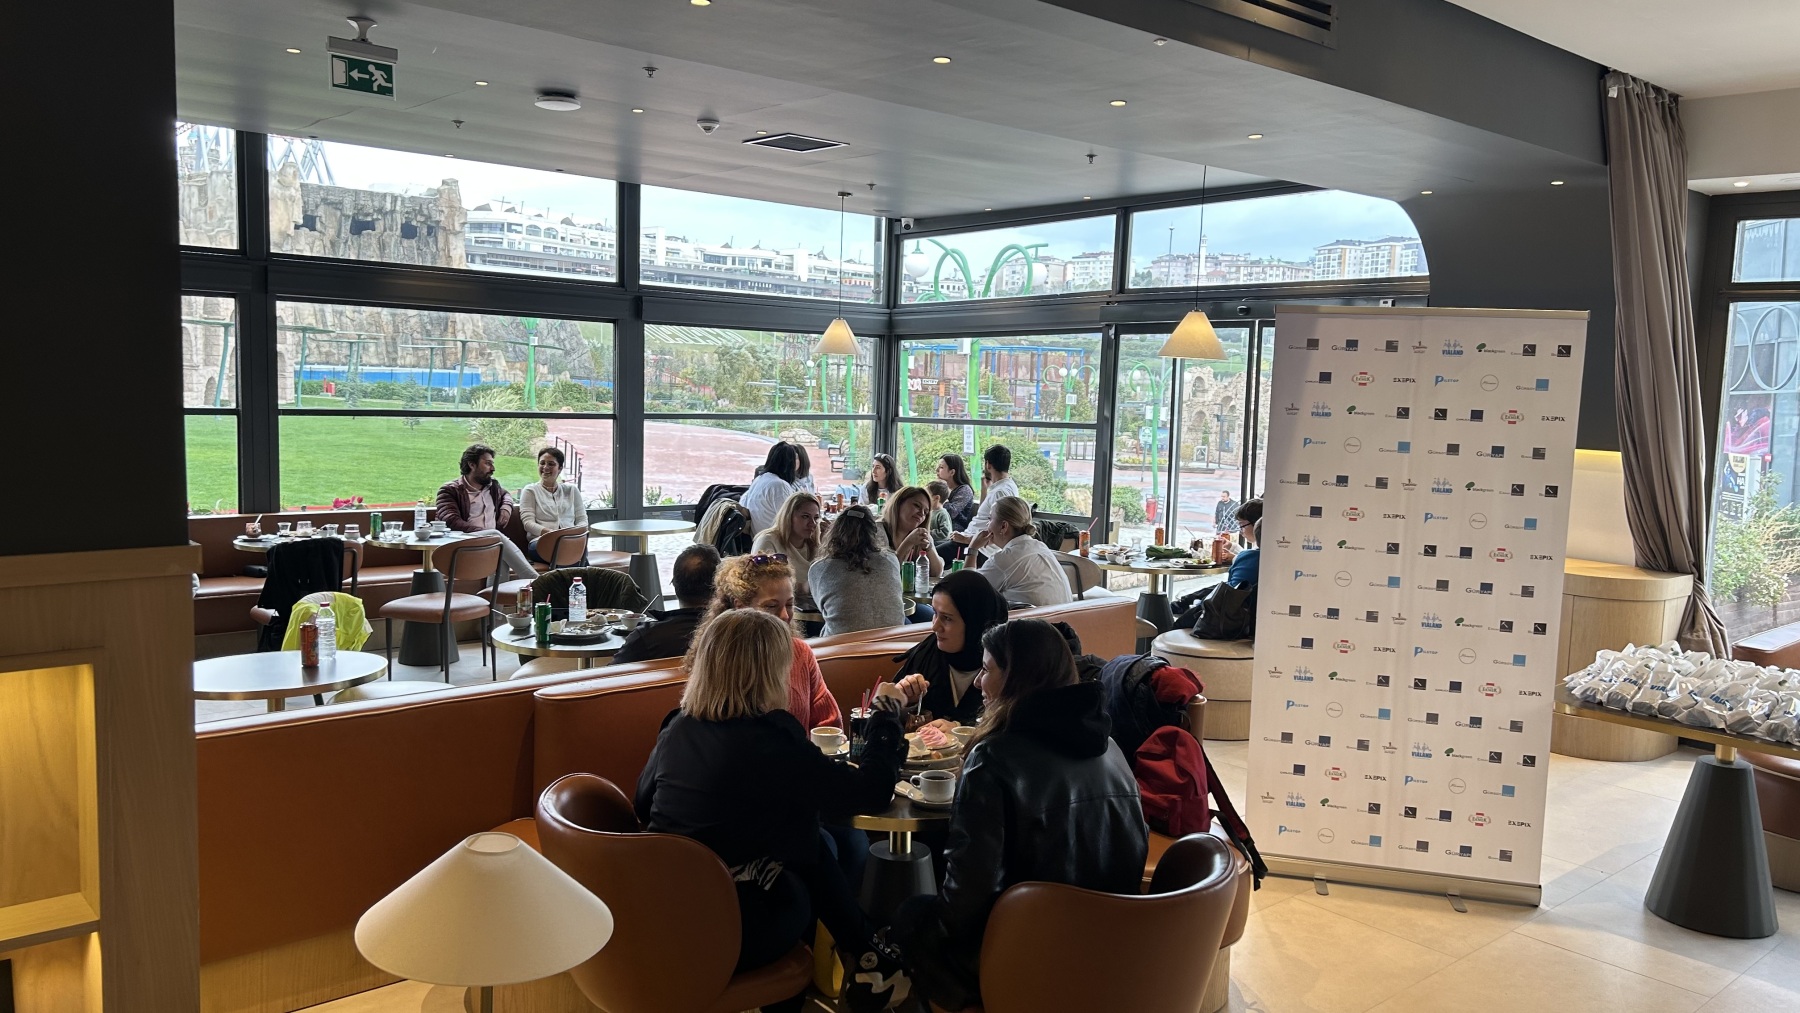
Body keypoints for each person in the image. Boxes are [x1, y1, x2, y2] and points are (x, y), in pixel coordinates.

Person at [635, 609, 913, 1012]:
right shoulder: (770, 741)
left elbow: (643, 804)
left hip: (658, 913)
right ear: (767, 673)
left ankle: (867, 956)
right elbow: (871, 792)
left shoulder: (678, 726)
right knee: (799, 851)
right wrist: (885, 717)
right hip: (731, 927)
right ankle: (867, 958)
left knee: (799, 830)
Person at [888, 619, 1149, 1011]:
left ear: (1017, 677)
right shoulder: (1109, 747)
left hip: (1028, 953)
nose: (979, 682)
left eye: (987, 669)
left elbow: (969, 893)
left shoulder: (993, 758)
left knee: (912, 916)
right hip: (1115, 947)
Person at [706, 553, 840, 729]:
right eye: (771, 606)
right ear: (740, 607)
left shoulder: (800, 652)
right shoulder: (721, 657)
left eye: (789, 604)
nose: (784, 615)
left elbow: (829, 722)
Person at [890, 569, 1010, 728]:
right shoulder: (925, 655)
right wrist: (904, 702)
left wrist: (960, 730)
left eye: (947, 618)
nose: (935, 627)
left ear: (974, 622)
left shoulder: (1005, 666)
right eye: (935, 613)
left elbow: (1013, 728)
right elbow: (881, 721)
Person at [435, 443, 537, 581]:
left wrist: (506, 508)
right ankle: (537, 580)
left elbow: (506, 494)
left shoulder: (492, 486)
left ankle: (496, 595)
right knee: (495, 536)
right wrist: (486, 534)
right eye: (488, 463)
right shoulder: (450, 490)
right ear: (472, 465)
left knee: (499, 550)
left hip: (490, 546)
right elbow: (451, 521)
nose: (493, 468)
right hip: (461, 545)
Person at [612, 544, 719, 664]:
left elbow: (611, 673)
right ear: (718, 587)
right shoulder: (730, 633)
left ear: (674, 585)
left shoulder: (646, 638)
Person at [810, 504, 905, 637]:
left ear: (835, 531)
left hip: (841, 647)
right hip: (894, 644)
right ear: (874, 532)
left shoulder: (820, 568)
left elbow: (824, 610)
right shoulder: (891, 560)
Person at [966, 496, 1072, 607]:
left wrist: (972, 549)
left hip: (1034, 617)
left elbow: (966, 591)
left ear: (1004, 526)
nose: (987, 525)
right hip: (1065, 615)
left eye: (990, 519)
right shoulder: (1040, 546)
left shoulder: (1005, 559)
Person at [753, 492, 824, 633]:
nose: (812, 523)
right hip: (778, 615)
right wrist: (803, 587)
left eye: (816, 518)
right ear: (789, 517)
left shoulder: (815, 544)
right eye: (805, 517)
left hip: (813, 613)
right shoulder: (769, 541)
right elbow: (761, 585)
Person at [520, 446, 587, 565]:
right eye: (542, 463)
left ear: (560, 468)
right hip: (540, 542)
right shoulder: (530, 491)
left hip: (571, 541)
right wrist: (554, 535)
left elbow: (582, 520)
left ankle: (576, 576)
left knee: (574, 550)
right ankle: (581, 576)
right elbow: (528, 524)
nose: (545, 467)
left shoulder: (571, 490)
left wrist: (571, 535)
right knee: (568, 552)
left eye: (551, 464)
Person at [947, 445, 1018, 556]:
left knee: (930, 552)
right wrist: (984, 489)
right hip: (971, 539)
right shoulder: (1005, 486)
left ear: (988, 464)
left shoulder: (1000, 492)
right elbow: (984, 514)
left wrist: (966, 539)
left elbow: (1001, 529)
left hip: (979, 548)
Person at [883, 485, 945, 587]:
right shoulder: (878, 532)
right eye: (917, 505)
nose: (921, 513)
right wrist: (908, 543)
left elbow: (936, 574)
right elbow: (886, 574)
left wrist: (929, 547)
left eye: (926, 512)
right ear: (899, 503)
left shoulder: (921, 535)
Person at [743, 442, 803, 535]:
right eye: (796, 458)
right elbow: (790, 521)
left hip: (759, 537)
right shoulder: (779, 485)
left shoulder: (760, 479)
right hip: (773, 540)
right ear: (790, 463)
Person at [935, 455, 977, 531]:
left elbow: (951, 513)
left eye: (941, 467)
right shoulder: (940, 487)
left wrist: (940, 496)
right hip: (937, 529)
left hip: (955, 533)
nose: (937, 470)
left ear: (952, 472)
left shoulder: (965, 490)